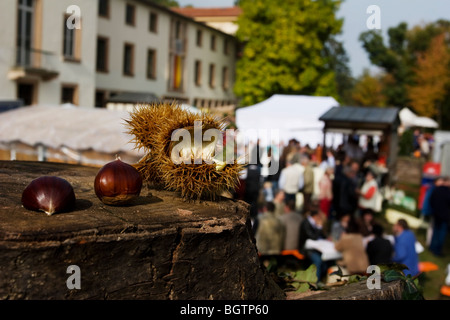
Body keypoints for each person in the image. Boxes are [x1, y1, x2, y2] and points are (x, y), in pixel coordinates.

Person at [298, 208, 328, 281]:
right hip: (307, 249)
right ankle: (316, 281)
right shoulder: (306, 223)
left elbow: (320, 236)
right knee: (318, 260)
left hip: (315, 248)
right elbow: (313, 237)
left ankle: (320, 278)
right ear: (316, 216)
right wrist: (319, 227)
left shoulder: (313, 223)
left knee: (326, 261)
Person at [429, 176, 450, 256]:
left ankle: (432, 247)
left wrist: (434, 210)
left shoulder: (436, 189)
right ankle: (437, 250)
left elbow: (431, 200)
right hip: (444, 216)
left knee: (435, 232)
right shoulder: (447, 192)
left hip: (436, 214)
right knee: (441, 233)